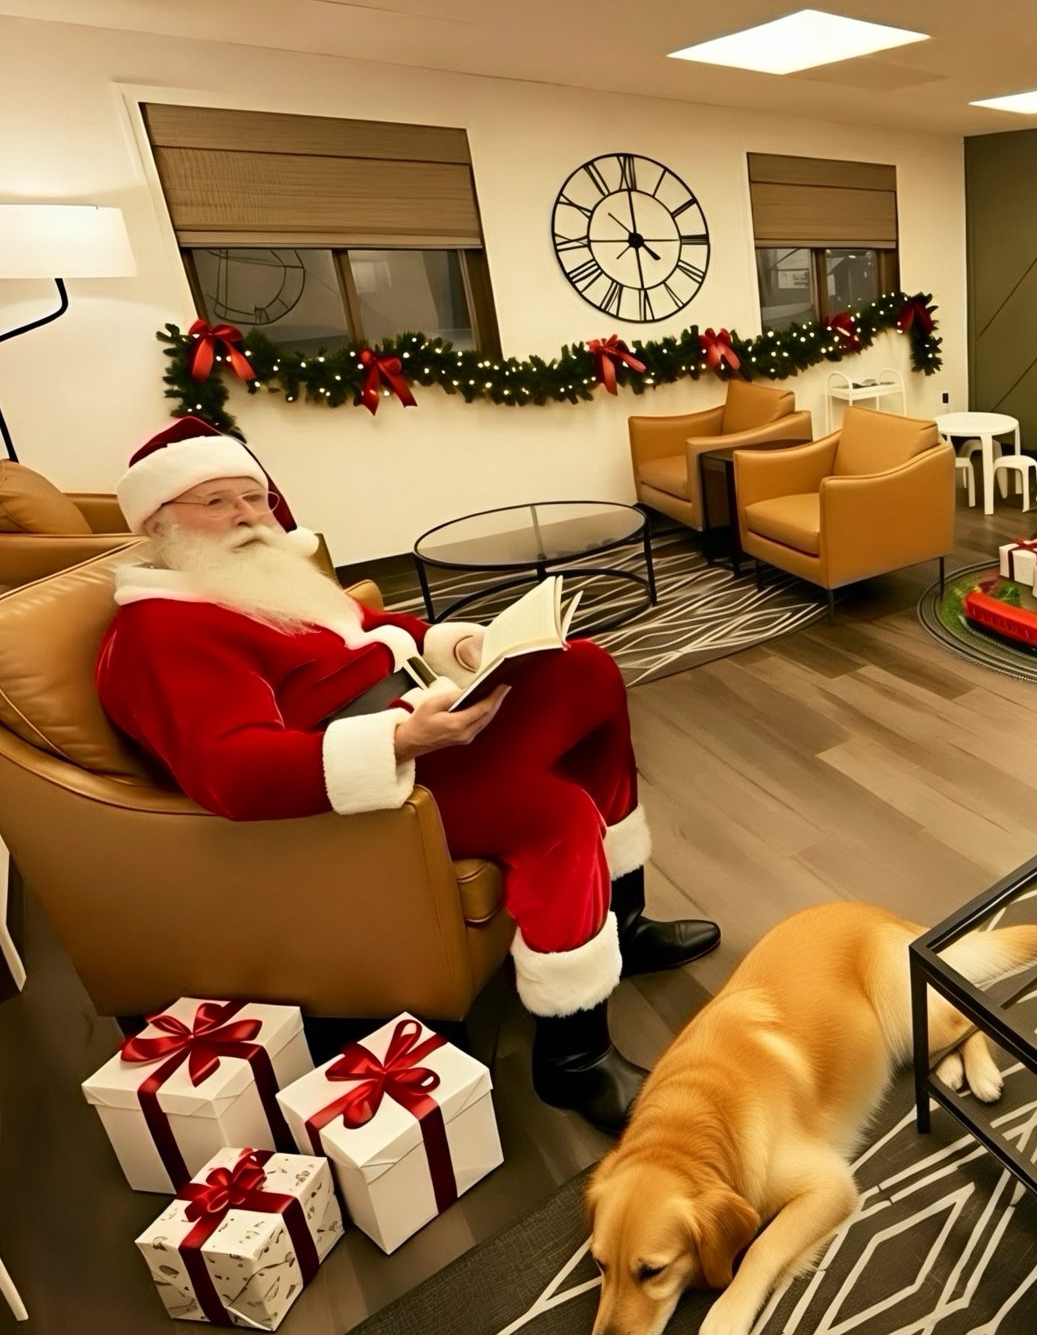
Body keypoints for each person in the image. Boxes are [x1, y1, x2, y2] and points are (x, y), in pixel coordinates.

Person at [95, 418, 718, 1135]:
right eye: (215, 501)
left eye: (254, 496)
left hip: (419, 723)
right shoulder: (160, 632)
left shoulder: (255, 578)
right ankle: (573, 1058)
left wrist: (461, 645)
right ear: (158, 521)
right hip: (370, 789)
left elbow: (368, 631)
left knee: (588, 671)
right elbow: (232, 774)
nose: (247, 515)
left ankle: (624, 921)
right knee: (554, 814)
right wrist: (399, 739)